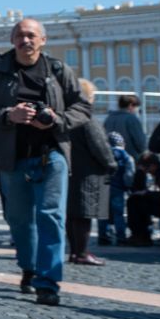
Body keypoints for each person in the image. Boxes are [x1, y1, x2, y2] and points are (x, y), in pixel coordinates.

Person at [0, 18, 90, 305]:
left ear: (43, 40)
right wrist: (8, 115)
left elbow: (83, 107)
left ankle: (48, 283)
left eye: (32, 36)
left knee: (51, 216)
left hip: (52, 155)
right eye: (20, 35)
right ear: (12, 40)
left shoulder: (58, 70)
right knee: (19, 220)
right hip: (12, 158)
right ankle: (29, 268)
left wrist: (57, 120)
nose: (26, 41)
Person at [66, 78, 117, 265]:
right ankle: (82, 253)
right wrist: (111, 164)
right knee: (84, 216)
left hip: (71, 172)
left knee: (72, 216)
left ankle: (74, 252)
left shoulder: (67, 116)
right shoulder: (87, 118)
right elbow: (100, 146)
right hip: (89, 174)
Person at [100, 131, 136, 248]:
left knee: (103, 213)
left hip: (103, 187)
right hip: (118, 188)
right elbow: (129, 174)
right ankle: (121, 237)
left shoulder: (102, 154)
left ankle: (103, 237)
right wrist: (128, 186)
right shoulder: (126, 156)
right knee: (118, 213)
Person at [104, 93, 149, 163]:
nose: (136, 110)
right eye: (136, 107)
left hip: (113, 159)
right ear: (130, 106)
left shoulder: (109, 118)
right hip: (130, 160)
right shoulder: (131, 119)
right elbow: (140, 143)